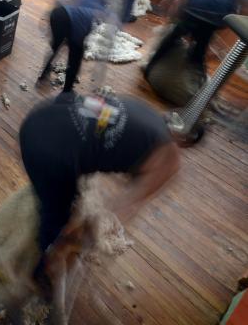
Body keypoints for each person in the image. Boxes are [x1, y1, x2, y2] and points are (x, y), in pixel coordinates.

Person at [20, 90, 181, 324]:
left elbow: (100, 140)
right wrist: (83, 231)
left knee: (65, 188)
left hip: (39, 118)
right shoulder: (166, 165)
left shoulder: (150, 120)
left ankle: (54, 212)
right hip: (49, 154)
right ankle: (46, 269)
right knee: (56, 219)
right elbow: (120, 209)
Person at [145, 0, 245, 78]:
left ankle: (149, 67)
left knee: (170, 39)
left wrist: (177, 18)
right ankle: (198, 78)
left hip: (192, 9)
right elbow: (227, 19)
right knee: (199, 50)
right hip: (208, 18)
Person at [36, 0, 107, 93]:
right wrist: (76, 48)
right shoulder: (92, 17)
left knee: (56, 47)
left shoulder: (87, 7)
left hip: (57, 14)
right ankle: (67, 91)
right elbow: (79, 36)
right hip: (66, 20)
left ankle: (44, 73)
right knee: (75, 60)